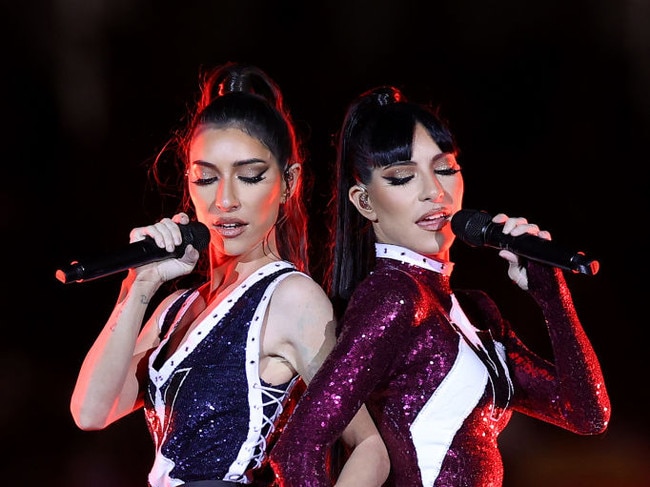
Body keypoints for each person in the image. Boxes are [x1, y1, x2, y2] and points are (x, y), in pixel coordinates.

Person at [269, 85, 611, 486]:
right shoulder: (394, 297)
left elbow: (587, 414)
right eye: (402, 178)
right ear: (364, 202)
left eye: (446, 169)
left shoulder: (474, 311)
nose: (435, 192)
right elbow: (297, 450)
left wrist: (552, 297)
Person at [69, 62, 389, 487]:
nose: (225, 200)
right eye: (206, 178)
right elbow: (92, 412)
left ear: (288, 182)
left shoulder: (289, 297)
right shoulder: (174, 308)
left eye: (250, 176)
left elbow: (369, 447)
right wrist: (139, 286)